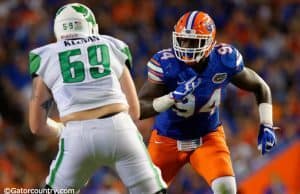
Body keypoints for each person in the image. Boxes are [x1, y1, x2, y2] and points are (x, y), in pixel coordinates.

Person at [28, 3, 167, 194]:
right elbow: (134, 111)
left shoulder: (45, 55)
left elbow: (37, 126)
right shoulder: (111, 44)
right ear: (90, 25)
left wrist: (60, 129)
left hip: (76, 134)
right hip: (120, 128)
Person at [138, 11, 277, 194]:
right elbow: (138, 108)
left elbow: (260, 86)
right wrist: (170, 98)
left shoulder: (223, 60)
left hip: (208, 138)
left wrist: (267, 124)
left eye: (193, 42)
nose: (186, 47)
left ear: (210, 42)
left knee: (226, 189)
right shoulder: (166, 64)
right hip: (166, 140)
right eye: (182, 40)